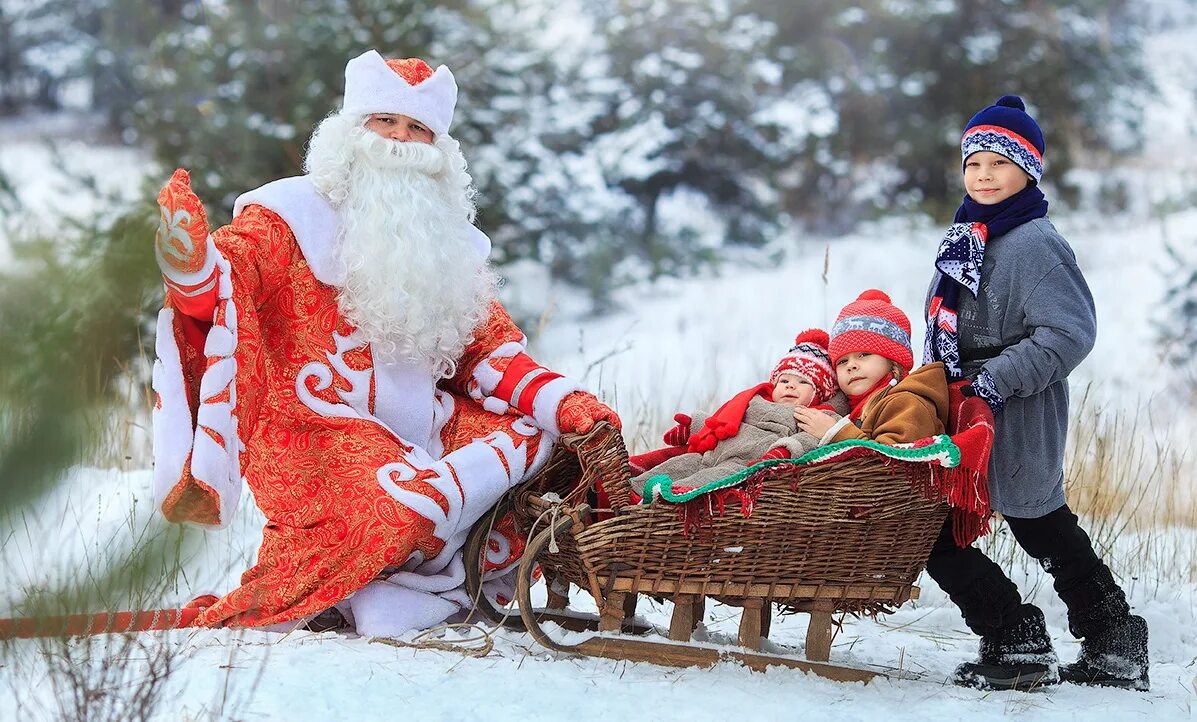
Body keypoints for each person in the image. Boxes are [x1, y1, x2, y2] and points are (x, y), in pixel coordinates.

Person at [150, 49, 618, 636]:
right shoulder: (285, 216)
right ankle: (373, 583)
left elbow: (488, 350)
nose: (400, 140)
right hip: (314, 430)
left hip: (422, 426)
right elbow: (228, 278)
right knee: (397, 505)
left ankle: (404, 583)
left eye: (417, 128)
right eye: (385, 122)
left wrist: (563, 402)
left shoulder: (446, 241)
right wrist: (191, 266)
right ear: (352, 131)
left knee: (545, 444)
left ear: (438, 150)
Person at [919, 95, 1148, 691]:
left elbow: (1072, 332)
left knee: (1036, 521)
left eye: (999, 162)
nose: (984, 175)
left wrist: (997, 379)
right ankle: (1020, 635)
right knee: (936, 529)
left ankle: (1106, 640)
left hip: (1014, 407)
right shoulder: (967, 236)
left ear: (1028, 169)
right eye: (973, 164)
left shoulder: (1033, 243)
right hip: (960, 408)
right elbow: (945, 324)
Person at [631, 330, 845, 495]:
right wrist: (695, 427)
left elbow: (810, 438)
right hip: (711, 454)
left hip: (742, 464)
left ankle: (666, 501)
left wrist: (784, 451)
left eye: (802, 382)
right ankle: (630, 493)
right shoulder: (756, 400)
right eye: (784, 380)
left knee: (704, 480)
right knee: (676, 465)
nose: (790, 386)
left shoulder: (813, 414)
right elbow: (725, 422)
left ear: (819, 391)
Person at [794, 290, 949, 448]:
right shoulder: (846, 410)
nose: (851, 365)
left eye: (864, 354)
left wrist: (835, 432)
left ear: (892, 360)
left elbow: (894, 465)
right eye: (842, 361)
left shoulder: (907, 402)